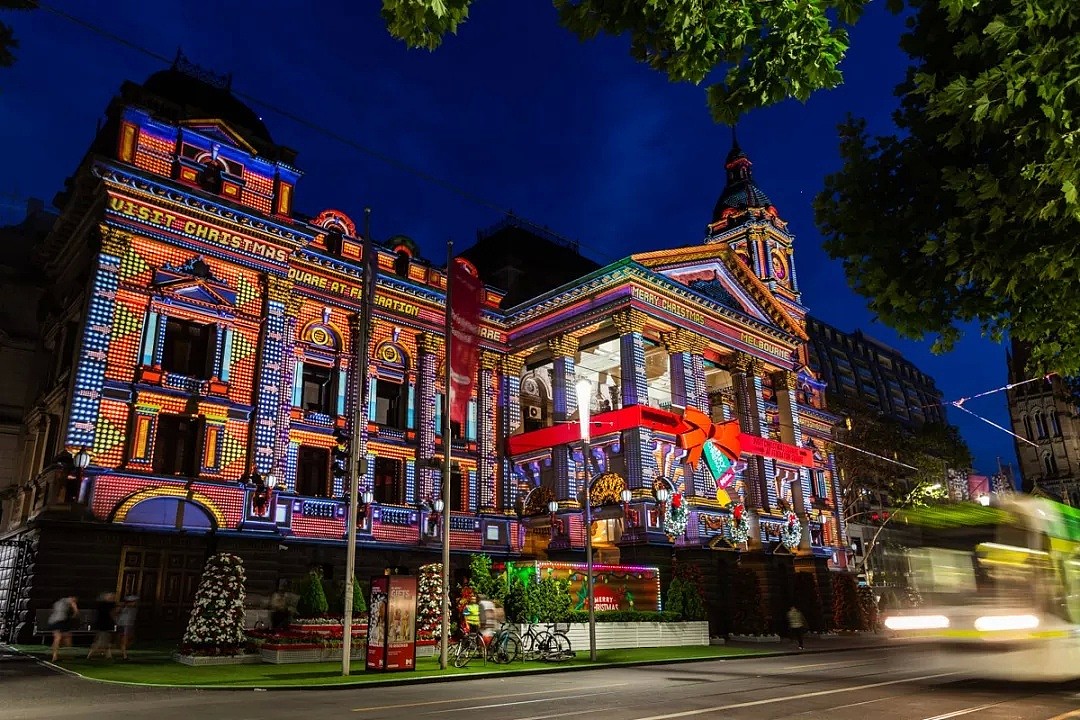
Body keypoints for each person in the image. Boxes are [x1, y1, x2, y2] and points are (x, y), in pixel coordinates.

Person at [47, 595, 79, 663]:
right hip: (59, 621)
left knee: (61, 638)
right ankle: (59, 655)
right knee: (60, 638)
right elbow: (75, 609)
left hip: (54, 621)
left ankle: (56, 655)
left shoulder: (58, 602)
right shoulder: (69, 600)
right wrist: (75, 614)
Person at [87, 592, 118, 659]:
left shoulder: (101, 605)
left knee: (105, 641)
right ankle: (90, 655)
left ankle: (109, 656)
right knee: (100, 642)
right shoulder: (107, 605)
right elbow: (112, 613)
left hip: (103, 626)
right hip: (104, 626)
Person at [116, 595, 138, 660]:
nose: (135, 603)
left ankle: (122, 652)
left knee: (129, 640)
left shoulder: (133, 609)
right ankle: (124, 656)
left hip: (129, 625)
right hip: (124, 625)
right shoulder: (124, 608)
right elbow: (117, 612)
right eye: (133, 602)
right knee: (124, 641)